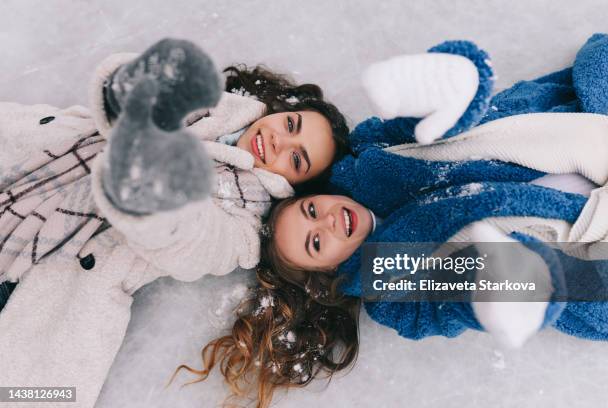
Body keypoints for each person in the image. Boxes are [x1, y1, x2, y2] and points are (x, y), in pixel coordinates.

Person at [176, 34, 608, 408]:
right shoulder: (383, 282)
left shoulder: (371, 162)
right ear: (327, 271)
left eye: (311, 210)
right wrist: (506, 285)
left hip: (562, 142)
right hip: (579, 235)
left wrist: (443, 89)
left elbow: (418, 127)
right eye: (315, 243)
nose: (327, 222)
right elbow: (449, 297)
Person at [0, 38, 349, 408]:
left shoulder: (240, 225)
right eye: (291, 124)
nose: (280, 142)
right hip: (22, 163)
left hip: (34, 278)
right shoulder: (206, 105)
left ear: (293, 187)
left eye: (297, 160)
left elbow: (188, 237)